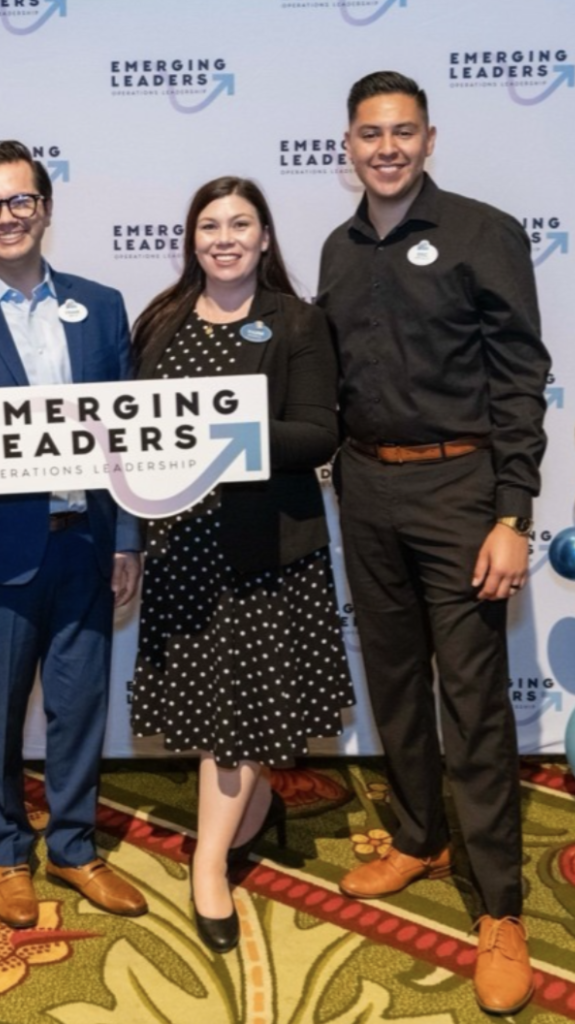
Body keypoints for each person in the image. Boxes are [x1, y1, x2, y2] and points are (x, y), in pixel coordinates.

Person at [316, 71, 550, 1015]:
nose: (385, 148)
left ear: (428, 137)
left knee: (474, 700)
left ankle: (501, 907)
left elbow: (520, 378)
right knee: (395, 683)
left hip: (462, 492)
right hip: (365, 487)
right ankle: (418, 838)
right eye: (369, 134)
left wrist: (512, 513)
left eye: (401, 132)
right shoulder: (335, 250)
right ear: (347, 146)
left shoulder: (482, 231)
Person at [0, 140, 147, 930]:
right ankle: (6, 855)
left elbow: (128, 435)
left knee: (79, 708)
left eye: (20, 201)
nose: (5, 217)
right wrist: (1, 440)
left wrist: (127, 541)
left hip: (85, 542)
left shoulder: (101, 304)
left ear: (45, 206)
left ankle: (75, 849)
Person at [128, 177, 353, 953]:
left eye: (240, 224)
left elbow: (316, 437)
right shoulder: (157, 322)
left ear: (263, 237)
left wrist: (222, 427)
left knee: (250, 704)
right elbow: (132, 440)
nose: (223, 237)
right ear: (191, 240)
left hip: (267, 549)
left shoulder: (296, 321)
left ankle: (208, 863)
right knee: (216, 707)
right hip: (182, 551)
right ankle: (236, 823)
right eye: (208, 225)